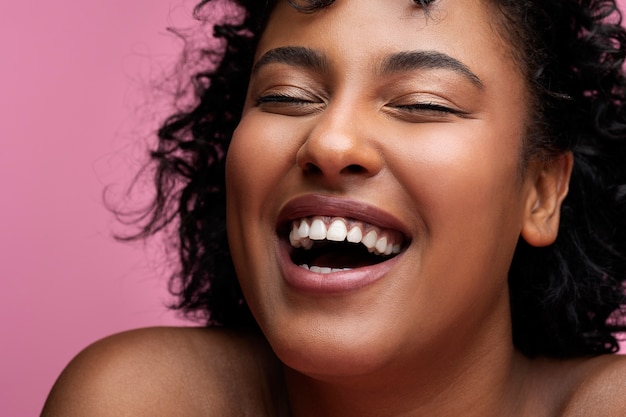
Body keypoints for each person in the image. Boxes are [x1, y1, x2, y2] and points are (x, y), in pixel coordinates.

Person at [41, 0, 626, 415]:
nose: (330, 142)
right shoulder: (137, 400)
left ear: (542, 191)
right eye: (285, 96)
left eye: (423, 103)